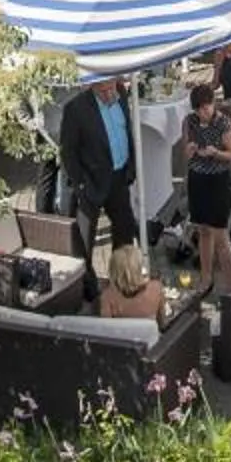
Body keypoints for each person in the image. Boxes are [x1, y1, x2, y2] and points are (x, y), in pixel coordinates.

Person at [56, 76, 139, 300]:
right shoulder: (75, 109)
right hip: (91, 183)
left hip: (119, 178)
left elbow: (127, 131)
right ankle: (88, 290)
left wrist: (131, 167)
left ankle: (121, 282)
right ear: (91, 86)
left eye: (111, 88)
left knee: (125, 230)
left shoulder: (121, 93)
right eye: (103, 91)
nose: (109, 94)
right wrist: (81, 184)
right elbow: (67, 152)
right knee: (84, 241)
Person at [181, 77, 231, 298]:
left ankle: (230, 286)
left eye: (205, 108)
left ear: (212, 104)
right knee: (203, 231)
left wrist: (215, 153)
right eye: (198, 110)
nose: (202, 113)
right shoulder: (190, 121)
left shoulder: (223, 123)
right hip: (197, 178)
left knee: (221, 236)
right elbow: (185, 153)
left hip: (217, 180)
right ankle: (206, 278)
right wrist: (189, 150)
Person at [99, 241, 166, 325]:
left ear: (114, 271)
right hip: (149, 332)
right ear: (139, 267)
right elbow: (161, 322)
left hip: (122, 333)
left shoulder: (108, 296)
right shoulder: (156, 288)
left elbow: (107, 327)